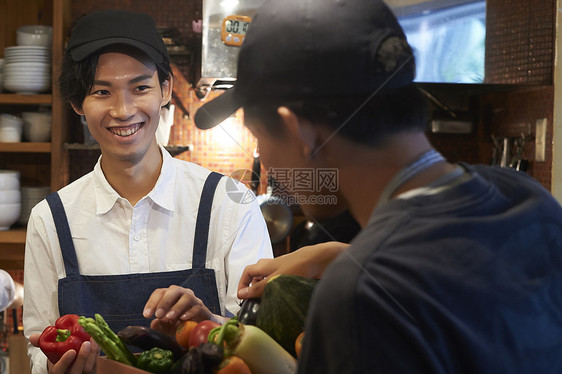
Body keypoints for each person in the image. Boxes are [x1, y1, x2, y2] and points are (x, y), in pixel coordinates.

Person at [194, 0, 562, 372]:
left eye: (258, 137)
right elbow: (452, 272)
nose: (265, 159)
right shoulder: (524, 196)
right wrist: (338, 254)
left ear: (299, 130)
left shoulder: (358, 301)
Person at [23, 9, 272, 374]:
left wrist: (209, 324)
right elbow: (36, 348)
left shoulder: (230, 204)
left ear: (166, 90)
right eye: (101, 92)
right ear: (77, 103)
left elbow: (264, 342)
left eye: (140, 88)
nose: (123, 111)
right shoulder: (50, 219)